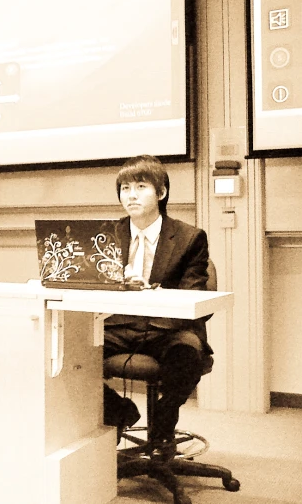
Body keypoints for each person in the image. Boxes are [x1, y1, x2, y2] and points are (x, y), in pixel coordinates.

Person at [103, 155, 212, 460]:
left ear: (161, 193)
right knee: (67, 352)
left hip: (168, 327)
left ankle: (163, 425)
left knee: (189, 352)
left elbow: (195, 294)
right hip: (121, 325)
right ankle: (119, 409)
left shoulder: (190, 238)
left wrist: (152, 291)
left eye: (140, 186)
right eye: (125, 188)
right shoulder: (108, 233)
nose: (131, 195)